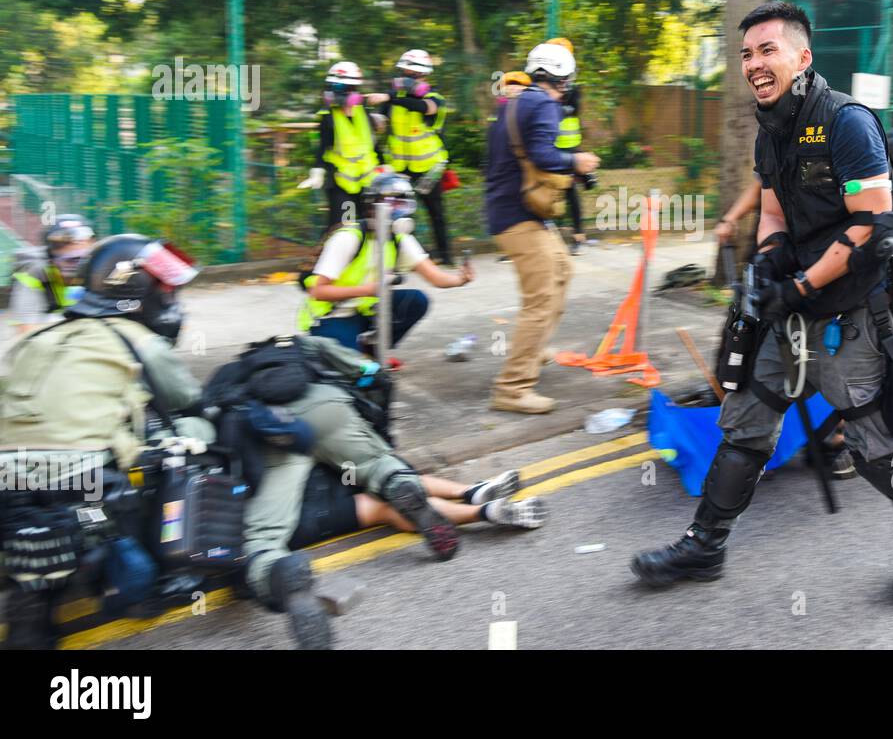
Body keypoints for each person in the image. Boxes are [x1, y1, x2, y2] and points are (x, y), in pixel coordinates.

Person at [631, 1, 893, 607]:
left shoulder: (846, 123)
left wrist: (801, 286)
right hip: (789, 311)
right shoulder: (770, 127)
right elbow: (773, 209)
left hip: (850, 313)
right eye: (747, 54)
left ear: (802, 57)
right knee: (746, 424)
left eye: (766, 50)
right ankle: (706, 545)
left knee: (875, 445)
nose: (754, 64)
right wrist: (772, 255)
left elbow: (873, 227)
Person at [0, 235, 332, 649]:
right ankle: (233, 557)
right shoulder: (138, 341)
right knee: (196, 437)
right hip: (87, 482)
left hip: (11, 483)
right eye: (165, 287)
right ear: (135, 291)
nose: (171, 296)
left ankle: (31, 609)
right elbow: (191, 402)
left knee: (47, 494)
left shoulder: (38, 339)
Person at [484, 41, 600, 414]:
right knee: (540, 301)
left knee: (562, 270)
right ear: (562, 79)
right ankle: (513, 388)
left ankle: (533, 351)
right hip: (519, 216)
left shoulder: (514, 102)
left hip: (516, 211)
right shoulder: (545, 103)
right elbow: (543, 155)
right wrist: (577, 161)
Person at [299, 170, 473, 355]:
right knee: (351, 375)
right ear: (371, 207)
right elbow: (318, 291)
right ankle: (348, 352)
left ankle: (372, 350)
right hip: (332, 315)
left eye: (402, 203)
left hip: (364, 310)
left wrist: (460, 279)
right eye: (390, 202)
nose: (396, 210)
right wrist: (368, 290)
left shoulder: (400, 238)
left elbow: (435, 277)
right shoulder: (349, 238)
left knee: (416, 301)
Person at [289, 465, 546, 550]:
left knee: (391, 477)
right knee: (384, 502)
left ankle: (473, 493)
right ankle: (480, 509)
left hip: (307, 491)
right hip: (296, 519)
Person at [372, 49, 454, 265]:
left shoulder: (433, 96)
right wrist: (372, 118)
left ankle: (446, 256)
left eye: (412, 73)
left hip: (428, 166)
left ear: (423, 76)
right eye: (404, 71)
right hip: (400, 167)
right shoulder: (394, 97)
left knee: (435, 211)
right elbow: (380, 121)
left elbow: (425, 108)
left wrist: (390, 97)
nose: (407, 76)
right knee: (400, 214)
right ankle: (407, 258)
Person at [298, 61, 383, 230]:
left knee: (372, 228)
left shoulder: (363, 112)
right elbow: (322, 148)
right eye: (332, 87)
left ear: (353, 89)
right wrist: (317, 174)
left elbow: (372, 145)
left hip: (368, 182)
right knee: (345, 227)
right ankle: (327, 254)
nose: (334, 92)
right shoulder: (327, 117)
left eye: (340, 87)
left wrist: (385, 165)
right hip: (340, 183)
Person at [7, 214, 95, 334]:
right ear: (49, 253)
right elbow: (26, 332)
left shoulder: (101, 270)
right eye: (61, 244)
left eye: (82, 243)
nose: (75, 252)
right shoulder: (32, 275)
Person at [546, 37, 592, 256]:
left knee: (571, 192)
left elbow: (573, 108)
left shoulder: (571, 85)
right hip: (551, 145)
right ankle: (549, 236)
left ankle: (578, 238)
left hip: (570, 146)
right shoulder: (546, 80)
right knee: (550, 190)